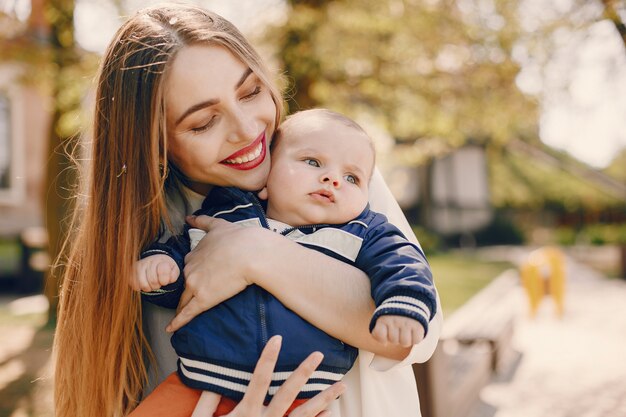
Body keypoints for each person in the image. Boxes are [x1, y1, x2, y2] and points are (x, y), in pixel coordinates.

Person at [52, 3, 443, 417]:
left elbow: (412, 334)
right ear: (155, 145)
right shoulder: (144, 238)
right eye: (203, 122)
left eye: (251, 91)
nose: (247, 130)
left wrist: (255, 252)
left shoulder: (331, 168)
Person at [132, 109, 437, 416]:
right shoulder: (227, 216)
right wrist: (160, 268)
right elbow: (188, 271)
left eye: (352, 178)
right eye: (313, 162)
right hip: (200, 380)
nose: (333, 179)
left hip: (305, 396)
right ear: (266, 178)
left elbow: (404, 265)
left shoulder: (364, 232)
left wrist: (403, 305)